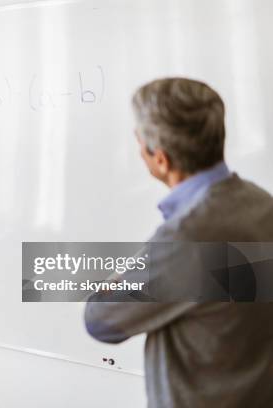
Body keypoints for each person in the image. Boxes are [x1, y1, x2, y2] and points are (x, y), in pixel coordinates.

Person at [84, 78, 273, 407]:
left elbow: (101, 320)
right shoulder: (263, 205)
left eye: (140, 140)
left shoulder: (186, 239)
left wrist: (124, 273)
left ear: (161, 159)